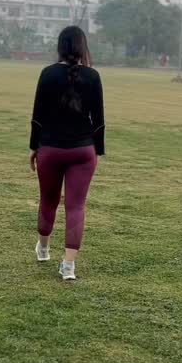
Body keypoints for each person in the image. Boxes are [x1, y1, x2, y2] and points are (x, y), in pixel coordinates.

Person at [29, 26, 105, 281]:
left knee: (48, 200)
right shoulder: (93, 76)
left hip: (50, 148)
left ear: (60, 46)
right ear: (83, 47)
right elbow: (99, 121)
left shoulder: (48, 74)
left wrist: (33, 147)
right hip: (83, 151)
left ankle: (43, 249)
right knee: (76, 206)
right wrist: (97, 152)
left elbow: (37, 117)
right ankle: (69, 266)